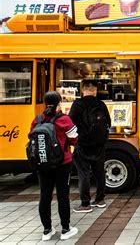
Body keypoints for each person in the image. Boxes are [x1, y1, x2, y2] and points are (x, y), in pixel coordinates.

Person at [30, 91, 78, 241]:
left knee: (45, 196)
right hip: (62, 163)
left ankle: (47, 231)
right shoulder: (64, 119)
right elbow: (74, 139)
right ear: (59, 103)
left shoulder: (37, 120)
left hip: (42, 163)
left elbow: (31, 137)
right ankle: (65, 229)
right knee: (63, 196)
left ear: (45, 103)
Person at [69, 80, 111, 213]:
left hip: (82, 144)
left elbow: (70, 123)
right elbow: (108, 122)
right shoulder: (101, 104)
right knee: (99, 172)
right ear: (95, 91)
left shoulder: (77, 104)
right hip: (99, 144)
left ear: (82, 90)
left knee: (84, 174)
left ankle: (85, 204)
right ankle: (100, 200)